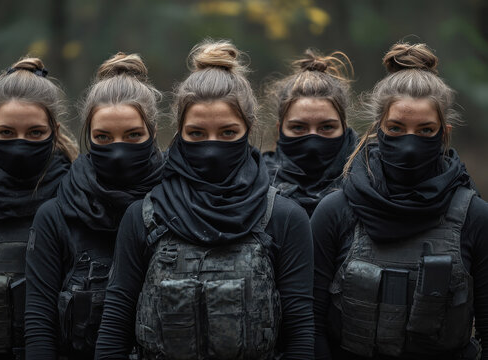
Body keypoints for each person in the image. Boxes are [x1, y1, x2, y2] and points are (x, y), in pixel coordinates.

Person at [94, 39, 315, 359]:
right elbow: (114, 333)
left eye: (227, 133)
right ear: (179, 133)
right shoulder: (144, 217)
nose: (211, 148)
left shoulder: (283, 217)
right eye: (197, 133)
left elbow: (300, 336)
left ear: (248, 130)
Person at [312, 42, 488, 359]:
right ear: (378, 129)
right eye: (396, 128)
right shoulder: (336, 210)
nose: (409, 144)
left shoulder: (474, 216)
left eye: (425, 130)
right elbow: (311, 324)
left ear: (444, 133)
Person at [24, 53, 164, 359]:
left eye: (133, 136)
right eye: (103, 137)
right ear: (88, 136)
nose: (117, 151)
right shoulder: (58, 215)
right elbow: (39, 325)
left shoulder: (176, 202)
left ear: (152, 133)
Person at [0, 57, 78, 359]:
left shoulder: (83, 209)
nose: (20, 145)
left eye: (35, 133)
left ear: (54, 132)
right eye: (7, 133)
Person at [263, 49, 357, 216]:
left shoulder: (370, 185)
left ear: (344, 128)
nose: (313, 142)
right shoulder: (256, 187)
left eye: (326, 127)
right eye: (298, 128)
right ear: (280, 130)